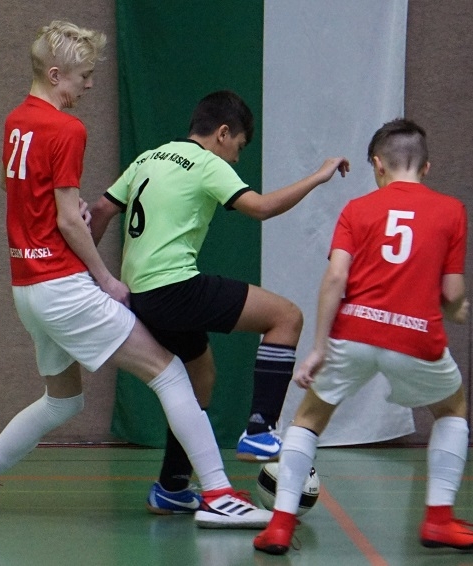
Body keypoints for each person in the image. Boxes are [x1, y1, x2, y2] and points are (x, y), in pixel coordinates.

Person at [0, 20, 271, 530]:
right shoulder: (67, 128)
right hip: (63, 286)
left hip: (27, 288)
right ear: (55, 74)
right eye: (83, 76)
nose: (89, 85)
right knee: (170, 373)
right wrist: (105, 278)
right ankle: (219, 494)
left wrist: (69, 215)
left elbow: (20, 193)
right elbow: (69, 220)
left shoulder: (15, 121)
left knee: (61, 401)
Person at [89, 90, 350, 515]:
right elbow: (261, 208)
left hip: (141, 295)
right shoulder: (206, 162)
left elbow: (101, 210)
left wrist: (92, 275)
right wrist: (318, 176)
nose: (237, 158)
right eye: (239, 147)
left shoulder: (148, 158)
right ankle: (260, 430)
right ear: (223, 133)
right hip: (175, 287)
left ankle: (172, 486)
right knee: (286, 317)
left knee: (201, 375)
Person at [253, 119, 473, 555]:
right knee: (452, 409)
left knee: (308, 420)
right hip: (416, 339)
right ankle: (439, 520)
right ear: (426, 167)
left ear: (378, 165)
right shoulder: (451, 210)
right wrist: (456, 308)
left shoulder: (357, 210)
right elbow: (452, 290)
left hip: (354, 333)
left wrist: (319, 348)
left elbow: (335, 279)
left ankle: (280, 526)